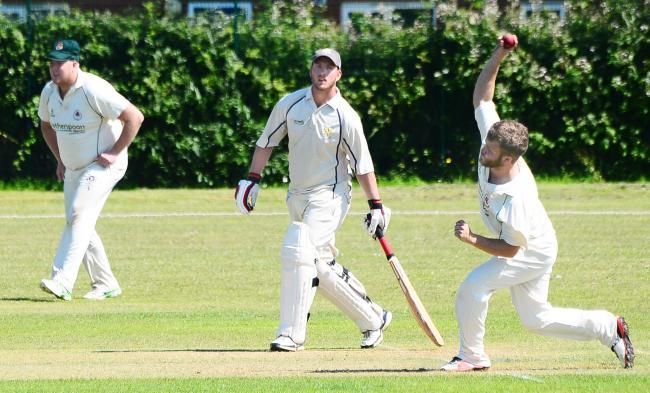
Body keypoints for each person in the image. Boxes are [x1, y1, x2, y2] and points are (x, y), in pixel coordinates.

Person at [440, 35, 634, 371]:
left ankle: (471, 356)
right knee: (536, 319)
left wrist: (472, 238)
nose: (483, 149)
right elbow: (482, 98)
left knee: (473, 287)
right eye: (487, 142)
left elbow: (511, 250)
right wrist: (499, 54)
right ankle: (608, 327)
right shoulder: (495, 139)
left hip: (530, 249)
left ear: (510, 158)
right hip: (536, 242)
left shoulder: (518, 199)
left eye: (491, 149)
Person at [234, 48, 392, 351]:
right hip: (297, 195)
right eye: (318, 66)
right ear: (311, 70)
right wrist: (252, 178)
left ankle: (291, 334)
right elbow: (266, 142)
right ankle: (373, 318)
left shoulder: (346, 116)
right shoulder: (291, 104)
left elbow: (363, 165)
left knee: (297, 249)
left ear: (338, 74)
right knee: (318, 263)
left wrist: (376, 206)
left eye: (329, 68)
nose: (322, 72)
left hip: (330, 196)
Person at [38, 39, 144, 301]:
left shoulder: (93, 89)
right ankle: (105, 283)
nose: (55, 68)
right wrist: (60, 159)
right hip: (74, 168)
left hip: (104, 165)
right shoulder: (49, 92)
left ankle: (62, 281)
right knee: (80, 222)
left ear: (75, 64)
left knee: (78, 214)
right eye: (52, 63)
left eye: (60, 63)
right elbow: (46, 125)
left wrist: (114, 151)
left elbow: (135, 117)